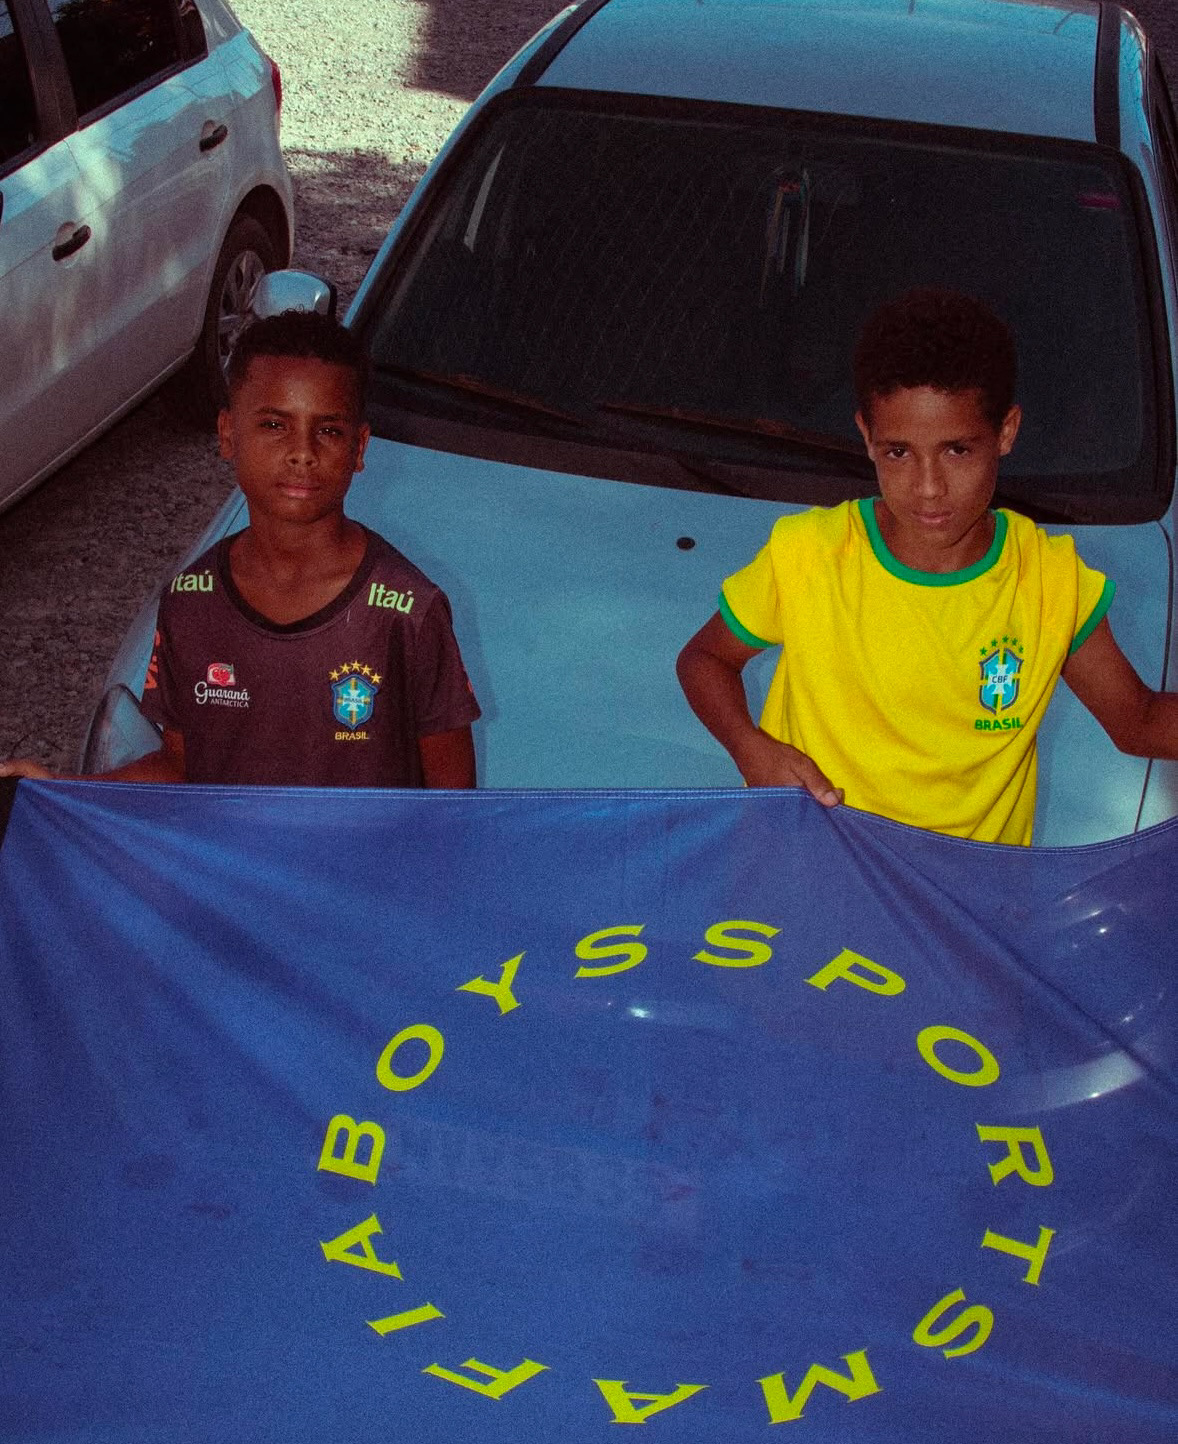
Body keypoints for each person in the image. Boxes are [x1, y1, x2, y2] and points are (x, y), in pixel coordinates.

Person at [676, 287, 1178, 845]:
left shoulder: (1049, 583)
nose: (929, 487)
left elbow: (1138, 721)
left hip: (966, 891)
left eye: (957, 450)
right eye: (899, 452)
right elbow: (705, 658)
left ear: (1005, 432)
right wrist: (749, 746)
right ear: (867, 437)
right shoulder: (809, 554)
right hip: (812, 868)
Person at [1, 310, 480, 788]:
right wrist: (60, 790)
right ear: (228, 434)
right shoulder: (191, 602)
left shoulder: (409, 612)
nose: (302, 452)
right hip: (225, 846)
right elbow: (180, 766)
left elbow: (453, 801)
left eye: (329, 430)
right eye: (274, 425)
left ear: (359, 447)